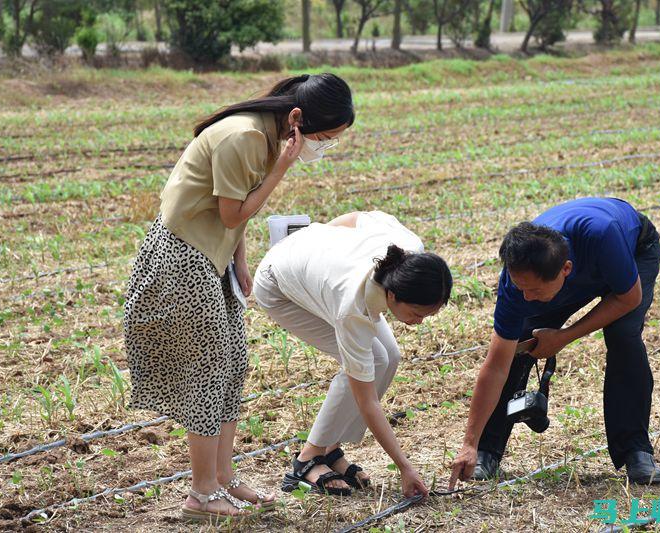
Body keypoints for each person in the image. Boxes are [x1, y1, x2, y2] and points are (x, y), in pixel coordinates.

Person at [123, 73, 354, 524]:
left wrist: (240, 261)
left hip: (212, 255)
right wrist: (280, 170)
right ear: (297, 119)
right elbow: (235, 210)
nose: (322, 148)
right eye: (323, 138)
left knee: (233, 364)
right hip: (182, 258)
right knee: (208, 370)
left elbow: (234, 214)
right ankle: (202, 493)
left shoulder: (266, 137)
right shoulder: (246, 138)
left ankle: (224, 479)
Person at [449, 197, 660, 489]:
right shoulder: (518, 282)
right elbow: (496, 365)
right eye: (520, 287)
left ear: (566, 270)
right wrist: (469, 443)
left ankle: (636, 450)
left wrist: (563, 337)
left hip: (633, 251)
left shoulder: (603, 234)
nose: (525, 297)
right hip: (577, 264)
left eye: (534, 290)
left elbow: (629, 298)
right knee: (521, 339)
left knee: (623, 333)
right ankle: (487, 450)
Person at [254, 211, 453, 498]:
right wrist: (405, 467)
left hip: (321, 273)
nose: (419, 322)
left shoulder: (409, 250)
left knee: (390, 357)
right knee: (370, 362)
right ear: (394, 295)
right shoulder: (353, 308)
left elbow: (358, 217)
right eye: (416, 314)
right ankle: (307, 459)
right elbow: (367, 400)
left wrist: (320, 240)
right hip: (278, 286)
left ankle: (330, 450)